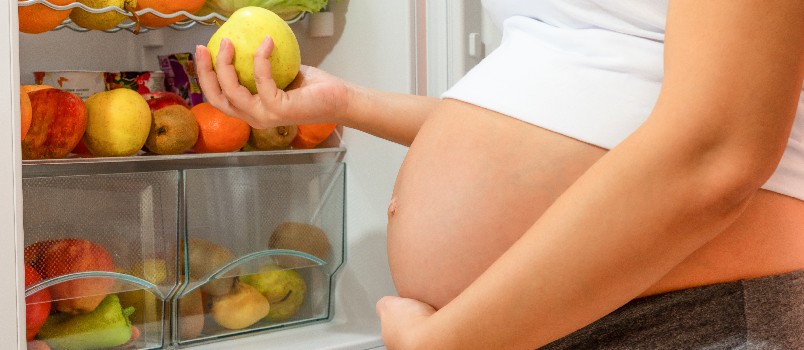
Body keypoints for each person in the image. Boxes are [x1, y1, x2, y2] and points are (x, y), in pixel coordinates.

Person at [196, 0, 804, 348]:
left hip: (683, 320)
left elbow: (719, 151)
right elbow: (571, 122)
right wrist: (347, 102)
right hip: (534, 323)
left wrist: (451, 344)